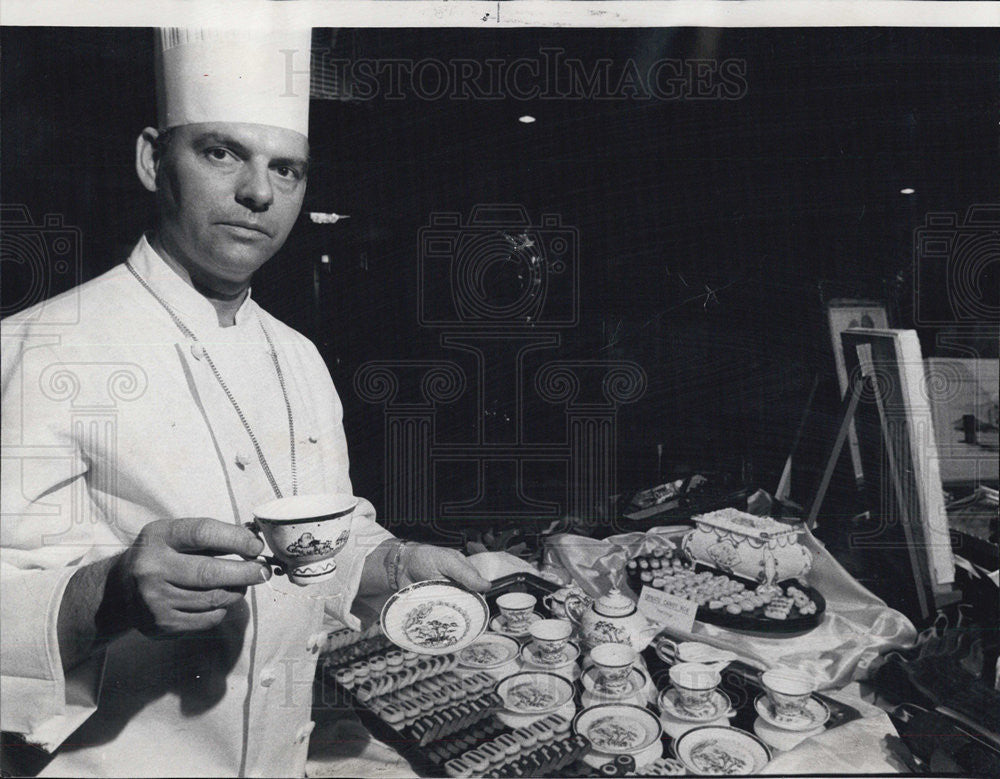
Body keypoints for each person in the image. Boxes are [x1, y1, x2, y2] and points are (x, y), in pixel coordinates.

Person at [0, 28, 489, 777]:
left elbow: (322, 534)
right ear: (151, 158)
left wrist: (396, 557)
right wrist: (110, 592)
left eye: (286, 168)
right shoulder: (37, 346)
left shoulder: (296, 355)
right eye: (221, 152)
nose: (259, 192)